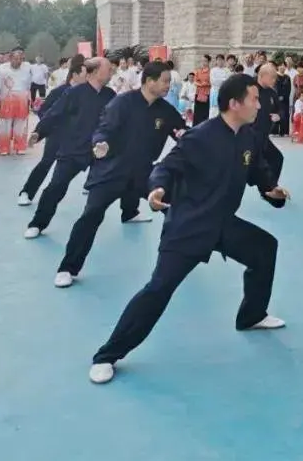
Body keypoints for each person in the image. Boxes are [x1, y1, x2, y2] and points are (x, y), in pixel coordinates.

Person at [88, 74, 290, 385]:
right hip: (189, 226)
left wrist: (271, 190)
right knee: (158, 289)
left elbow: (257, 170)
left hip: (222, 222)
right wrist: (156, 191)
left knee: (265, 249)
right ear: (234, 104)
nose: (259, 104)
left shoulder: (247, 136)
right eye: (254, 99)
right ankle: (106, 355)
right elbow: (166, 168)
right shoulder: (202, 136)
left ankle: (252, 315)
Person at [53, 62, 187, 288]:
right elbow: (104, 130)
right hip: (111, 172)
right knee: (91, 216)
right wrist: (100, 145)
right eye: (164, 80)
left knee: (178, 205)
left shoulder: (165, 111)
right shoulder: (122, 103)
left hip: (143, 174)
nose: (168, 85)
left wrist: (186, 135)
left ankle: (183, 256)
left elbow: (182, 132)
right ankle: (67, 268)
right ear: (149, 81)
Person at [24, 58, 116, 238]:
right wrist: (38, 132)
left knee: (124, 180)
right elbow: (54, 114)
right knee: (56, 187)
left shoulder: (110, 95)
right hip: (73, 150)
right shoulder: (74, 93)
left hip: (100, 151)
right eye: (108, 69)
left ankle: (131, 210)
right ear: (96, 71)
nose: (111, 72)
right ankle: (37, 223)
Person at [18, 56, 86, 205]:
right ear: (74, 75)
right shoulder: (60, 91)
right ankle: (26, 192)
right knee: (46, 163)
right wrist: (44, 129)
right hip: (57, 134)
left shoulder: (86, 93)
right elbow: (44, 111)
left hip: (78, 137)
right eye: (84, 74)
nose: (87, 78)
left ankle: (91, 184)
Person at [0, 47, 33, 155]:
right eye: (16, 58)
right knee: (5, 125)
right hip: (7, 99)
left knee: (20, 124)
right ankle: (3, 148)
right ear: (10, 58)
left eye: (21, 58)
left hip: (22, 99)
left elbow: (29, 84)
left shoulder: (27, 67)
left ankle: (20, 146)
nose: (18, 61)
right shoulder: (2, 68)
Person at [254, 63, 284, 181]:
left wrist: (278, 116)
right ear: (263, 75)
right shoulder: (250, 89)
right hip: (249, 136)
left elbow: (281, 109)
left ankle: (271, 188)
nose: (275, 80)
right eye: (272, 77)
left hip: (264, 137)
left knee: (277, 159)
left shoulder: (271, 93)